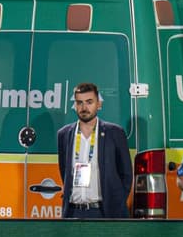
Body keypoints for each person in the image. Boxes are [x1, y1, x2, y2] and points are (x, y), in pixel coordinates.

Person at [57, 82, 133, 219]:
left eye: (89, 102)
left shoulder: (115, 133)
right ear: (75, 105)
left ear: (98, 104)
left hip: (105, 213)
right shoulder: (64, 134)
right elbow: (65, 172)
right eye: (79, 103)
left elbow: (126, 175)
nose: (84, 108)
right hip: (73, 213)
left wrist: (117, 203)